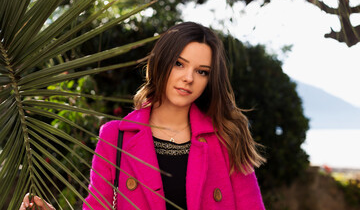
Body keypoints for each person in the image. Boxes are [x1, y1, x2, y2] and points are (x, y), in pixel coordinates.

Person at [20, 22, 266, 210]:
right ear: (161, 63)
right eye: (179, 64)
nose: (189, 78)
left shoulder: (226, 138)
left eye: (201, 71)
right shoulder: (116, 137)